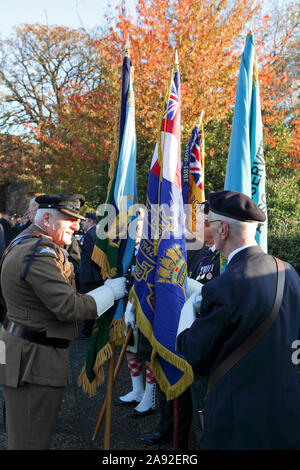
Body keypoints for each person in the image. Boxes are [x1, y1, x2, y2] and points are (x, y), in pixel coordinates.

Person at [0, 193, 126, 450]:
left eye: (78, 219)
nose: (77, 226)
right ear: (46, 218)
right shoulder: (38, 252)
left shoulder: (29, 242)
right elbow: (68, 307)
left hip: (25, 354)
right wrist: (109, 292)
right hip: (33, 361)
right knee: (30, 442)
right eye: (69, 219)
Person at [177, 190, 300, 450]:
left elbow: (194, 352)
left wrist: (187, 315)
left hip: (239, 422)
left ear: (223, 228)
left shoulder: (223, 286)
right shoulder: (288, 272)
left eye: (209, 223)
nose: (206, 229)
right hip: (285, 413)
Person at [118, 210, 157, 417]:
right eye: (135, 225)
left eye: (142, 224)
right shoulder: (129, 249)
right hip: (130, 306)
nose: (138, 228)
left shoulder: (153, 249)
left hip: (149, 308)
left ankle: (149, 397)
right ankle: (137, 389)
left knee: (148, 353)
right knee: (131, 349)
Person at [77, 212, 103, 338]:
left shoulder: (90, 235)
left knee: (88, 303)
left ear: (91, 222)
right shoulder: (97, 233)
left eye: (84, 220)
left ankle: (87, 331)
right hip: (94, 275)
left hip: (90, 276)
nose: (82, 223)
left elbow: (94, 256)